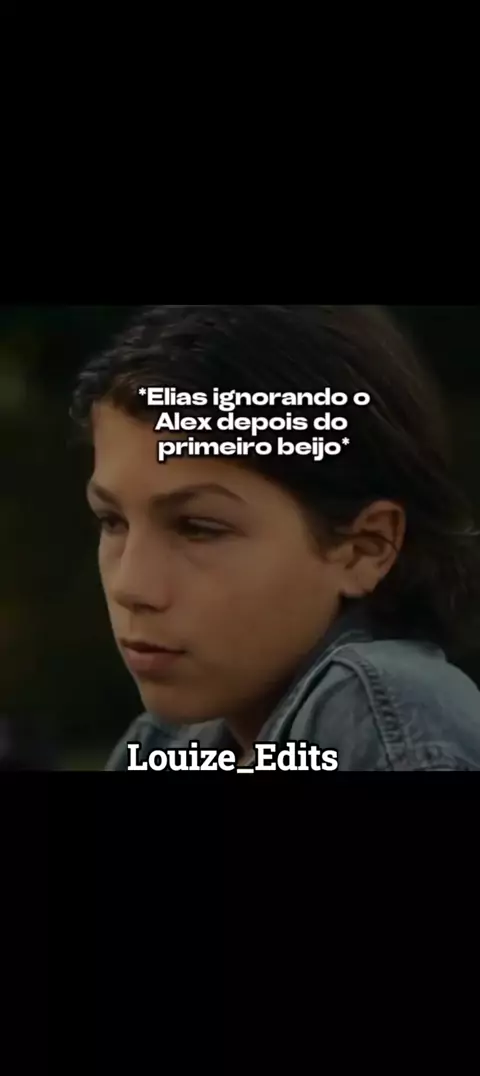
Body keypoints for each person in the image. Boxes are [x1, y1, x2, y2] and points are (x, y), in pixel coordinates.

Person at [70, 305, 480, 771]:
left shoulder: (381, 717)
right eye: (111, 520)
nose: (131, 586)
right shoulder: (164, 744)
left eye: (197, 528)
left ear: (364, 547)